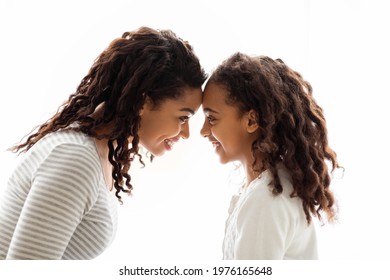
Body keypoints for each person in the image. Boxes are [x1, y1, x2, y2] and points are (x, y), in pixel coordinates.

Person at [0, 26, 207, 260]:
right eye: (183, 117)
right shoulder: (75, 158)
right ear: (142, 102)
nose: (187, 133)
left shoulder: (99, 153)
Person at [200, 52, 341, 260]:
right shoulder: (271, 187)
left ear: (251, 121)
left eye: (212, 118)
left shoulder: (265, 199)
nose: (203, 131)